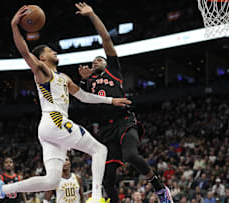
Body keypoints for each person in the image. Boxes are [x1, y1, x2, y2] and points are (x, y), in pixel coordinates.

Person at [0, 5, 132, 203]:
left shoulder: (65, 78)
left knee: (52, 180)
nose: (54, 52)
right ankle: (96, 197)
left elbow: (84, 96)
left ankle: (2, 189)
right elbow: (26, 53)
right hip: (55, 120)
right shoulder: (43, 72)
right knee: (100, 150)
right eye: (50, 51)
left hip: (49, 129)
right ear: (42, 57)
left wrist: (111, 100)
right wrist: (14, 26)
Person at [75, 2, 173, 203]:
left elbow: (106, 39)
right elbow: (82, 101)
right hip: (105, 129)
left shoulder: (113, 70)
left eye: (99, 59)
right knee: (107, 179)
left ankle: (161, 189)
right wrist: (83, 80)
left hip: (124, 121)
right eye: (93, 61)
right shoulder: (90, 82)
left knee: (131, 156)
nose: (96, 61)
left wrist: (92, 15)